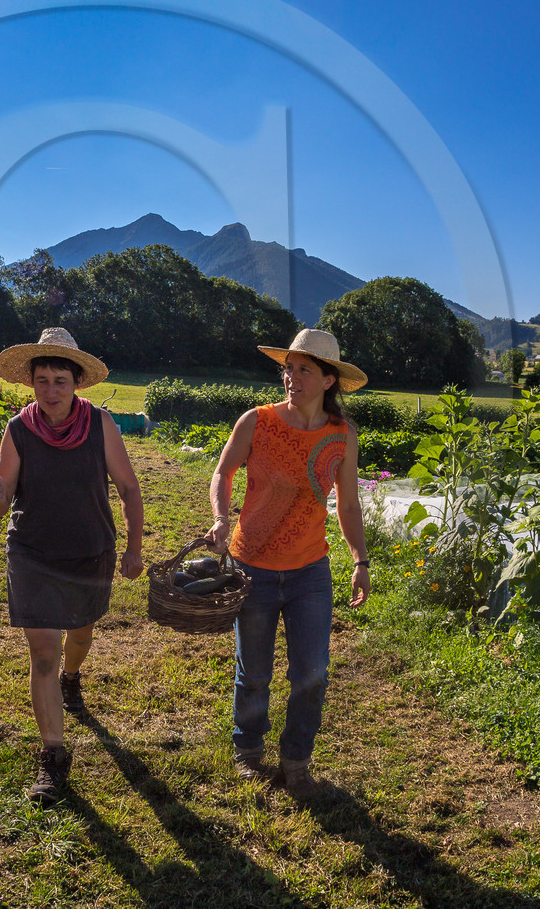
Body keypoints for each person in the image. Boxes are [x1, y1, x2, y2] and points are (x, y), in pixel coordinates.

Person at [206, 328, 373, 798]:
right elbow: (223, 471)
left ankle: (296, 760)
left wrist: (361, 560)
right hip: (251, 567)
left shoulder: (342, 435)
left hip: (310, 573)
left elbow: (349, 505)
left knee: (312, 673)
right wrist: (221, 517)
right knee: (254, 671)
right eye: (289, 368)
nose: (291, 377)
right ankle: (248, 751)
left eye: (304, 370)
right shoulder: (256, 422)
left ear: (327, 381)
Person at [0, 328, 144, 805]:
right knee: (43, 654)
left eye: (59, 381)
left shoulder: (101, 426)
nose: (50, 391)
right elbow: (1, 501)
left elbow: (129, 489)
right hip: (33, 553)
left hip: (90, 550)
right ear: (30, 384)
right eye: (42, 381)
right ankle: (54, 757)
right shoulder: (18, 430)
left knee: (82, 631)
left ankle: (75, 678)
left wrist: (134, 549)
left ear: (76, 384)